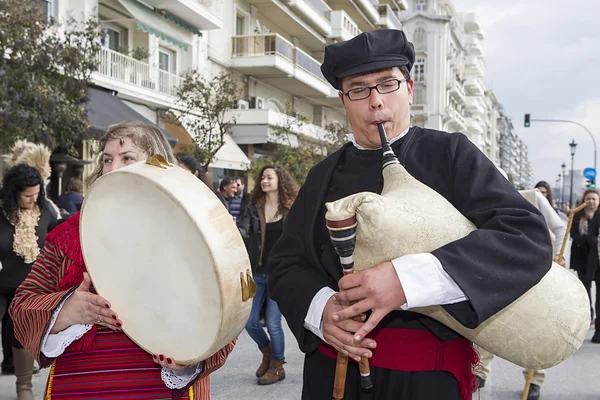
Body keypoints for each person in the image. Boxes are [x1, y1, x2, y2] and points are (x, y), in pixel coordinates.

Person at [267, 29, 551, 400]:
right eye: (358, 88)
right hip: (331, 376)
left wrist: (404, 281)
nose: (375, 102)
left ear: (410, 88)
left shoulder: (451, 154)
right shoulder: (323, 175)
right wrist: (321, 310)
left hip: (426, 381)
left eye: (387, 84)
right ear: (343, 100)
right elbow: (286, 263)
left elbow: (524, 237)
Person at [9, 122, 235, 399]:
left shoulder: (194, 228)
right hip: (80, 386)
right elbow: (22, 305)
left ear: (156, 165)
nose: (113, 168)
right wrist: (67, 310)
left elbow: (229, 310)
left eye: (127, 158)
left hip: (159, 387)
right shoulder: (70, 234)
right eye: (107, 159)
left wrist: (191, 357)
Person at [475, 187, 567, 400]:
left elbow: (559, 227)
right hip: (499, 270)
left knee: (535, 326)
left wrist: (557, 259)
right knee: (489, 323)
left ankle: (534, 380)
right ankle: (480, 372)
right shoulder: (482, 196)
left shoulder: (533, 196)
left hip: (535, 272)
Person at [0, 164, 58, 400]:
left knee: (21, 334)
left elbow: (57, 243)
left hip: (30, 288)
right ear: (14, 193)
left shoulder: (45, 212)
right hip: (1, 284)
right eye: (27, 195)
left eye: (36, 193)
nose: (33, 199)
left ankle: (24, 387)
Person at [239, 165, 298, 385]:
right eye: (262, 177)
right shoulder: (254, 208)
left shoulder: (291, 210)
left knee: (273, 323)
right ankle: (268, 352)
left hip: (280, 275)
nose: (264, 181)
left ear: (279, 181)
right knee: (250, 321)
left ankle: (277, 365)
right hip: (258, 273)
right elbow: (244, 232)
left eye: (269, 177)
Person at [570, 189, 600, 326]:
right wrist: (588, 240)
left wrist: (588, 239)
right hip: (582, 257)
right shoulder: (577, 216)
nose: (591, 201)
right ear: (584, 200)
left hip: (597, 259)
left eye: (594, 199)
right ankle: (589, 315)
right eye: (588, 199)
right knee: (585, 289)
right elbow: (574, 235)